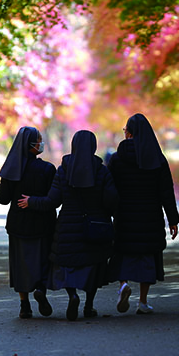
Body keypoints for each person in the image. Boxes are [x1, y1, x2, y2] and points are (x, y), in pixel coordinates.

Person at [18, 130, 119, 321]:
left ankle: (72, 295)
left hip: (67, 227)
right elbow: (112, 200)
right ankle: (89, 307)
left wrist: (31, 201)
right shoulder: (102, 170)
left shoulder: (63, 170)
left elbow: (52, 201)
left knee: (67, 265)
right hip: (95, 227)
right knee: (94, 265)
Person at [107, 113, 179, 314]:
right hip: (150, 216)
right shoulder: (157, 158)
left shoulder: (116, 159)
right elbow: (167, 191)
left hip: (125, 216)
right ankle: (143, 302)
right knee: (147, 257)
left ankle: (123, 285)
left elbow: (109, 188)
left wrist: (108, 212)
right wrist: (173, 219)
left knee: (123, 252)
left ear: (128, 133)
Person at [0, 126, 57, 319]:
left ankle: (25, 306)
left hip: (18, 224)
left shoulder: (11, 170)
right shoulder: (47, 169)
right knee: (42, 259)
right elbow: (53, 198)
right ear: (31, 144)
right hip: (43, 223)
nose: (41, 143)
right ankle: (40, 289)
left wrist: (2, 187)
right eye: (39, 140)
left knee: (19, 264)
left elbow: (3, 199)